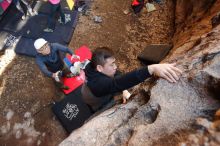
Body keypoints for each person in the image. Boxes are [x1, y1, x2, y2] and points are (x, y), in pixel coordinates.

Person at [82, 47, 182, 113]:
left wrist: (124, 89)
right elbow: (116, 83)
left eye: (114, 63)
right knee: (100, 106)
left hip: (90, 90)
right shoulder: (99, 84)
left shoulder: (93, 66)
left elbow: (116, 77)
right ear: (99, 68)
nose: (115, 67)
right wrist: (150, 69)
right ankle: (94, 110)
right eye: (111, 65)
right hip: (94, 98)